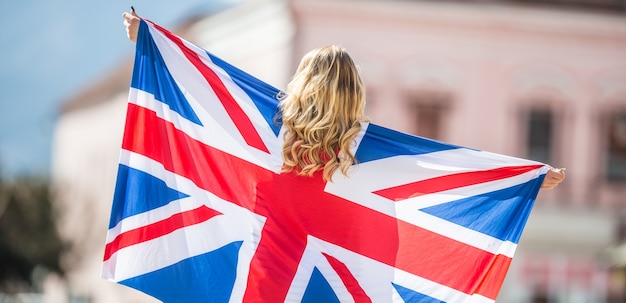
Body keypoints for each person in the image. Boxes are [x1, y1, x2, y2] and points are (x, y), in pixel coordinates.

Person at [122, 11, 565, 189]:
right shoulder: (368, 150)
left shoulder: (266, 123)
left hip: (267, 278)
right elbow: (446, 166)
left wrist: (151, 42)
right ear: (356, 95)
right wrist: (527, 179)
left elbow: (205, 89)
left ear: (302, 85)